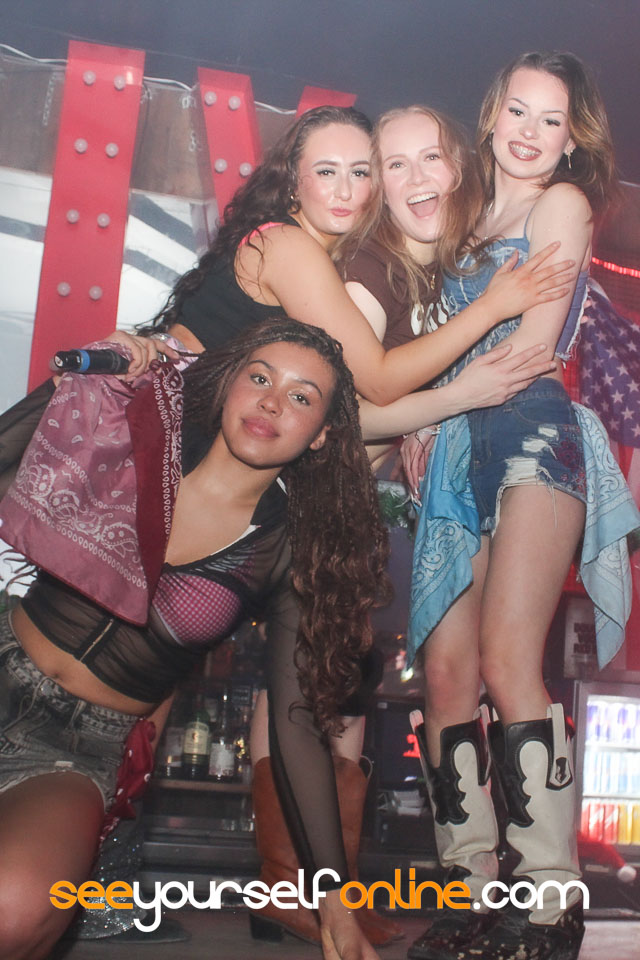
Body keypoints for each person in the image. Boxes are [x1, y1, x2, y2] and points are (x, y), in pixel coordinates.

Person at [113, 101, 571, 948]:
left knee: (303, 679)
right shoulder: (332, 258)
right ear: (292, 180)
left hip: (259, 482)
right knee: (170, 668)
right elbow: (368, 391)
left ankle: (300, 888)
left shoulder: (352, 260)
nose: (356, 186)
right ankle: (245, 882)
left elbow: (330, 398)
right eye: (343, 169)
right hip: (199, 468)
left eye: (366, 170)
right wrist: (465, 382)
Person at [0, 318, 390, 960]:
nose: (271, 402)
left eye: (300, 396)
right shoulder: (139, 433)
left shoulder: (286, 552)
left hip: (73, 750)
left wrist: (334, 898)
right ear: (229, 384)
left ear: (322, 433)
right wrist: (76, 381)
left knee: (16, 914)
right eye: (259, 378)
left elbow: (296, 728)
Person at [405, 52, 640, 960]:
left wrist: (434, 403)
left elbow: (533, 345)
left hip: (534, 434)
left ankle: (551, 898)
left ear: (573, 136)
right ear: (492, 115)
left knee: (509, 660)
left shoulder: (563, 204)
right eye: (518, 111)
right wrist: (427, 415)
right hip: (456, 442)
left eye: (552, 119)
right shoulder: (462, 214)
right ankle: (466, 892)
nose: (531, 132)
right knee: (446, 676)